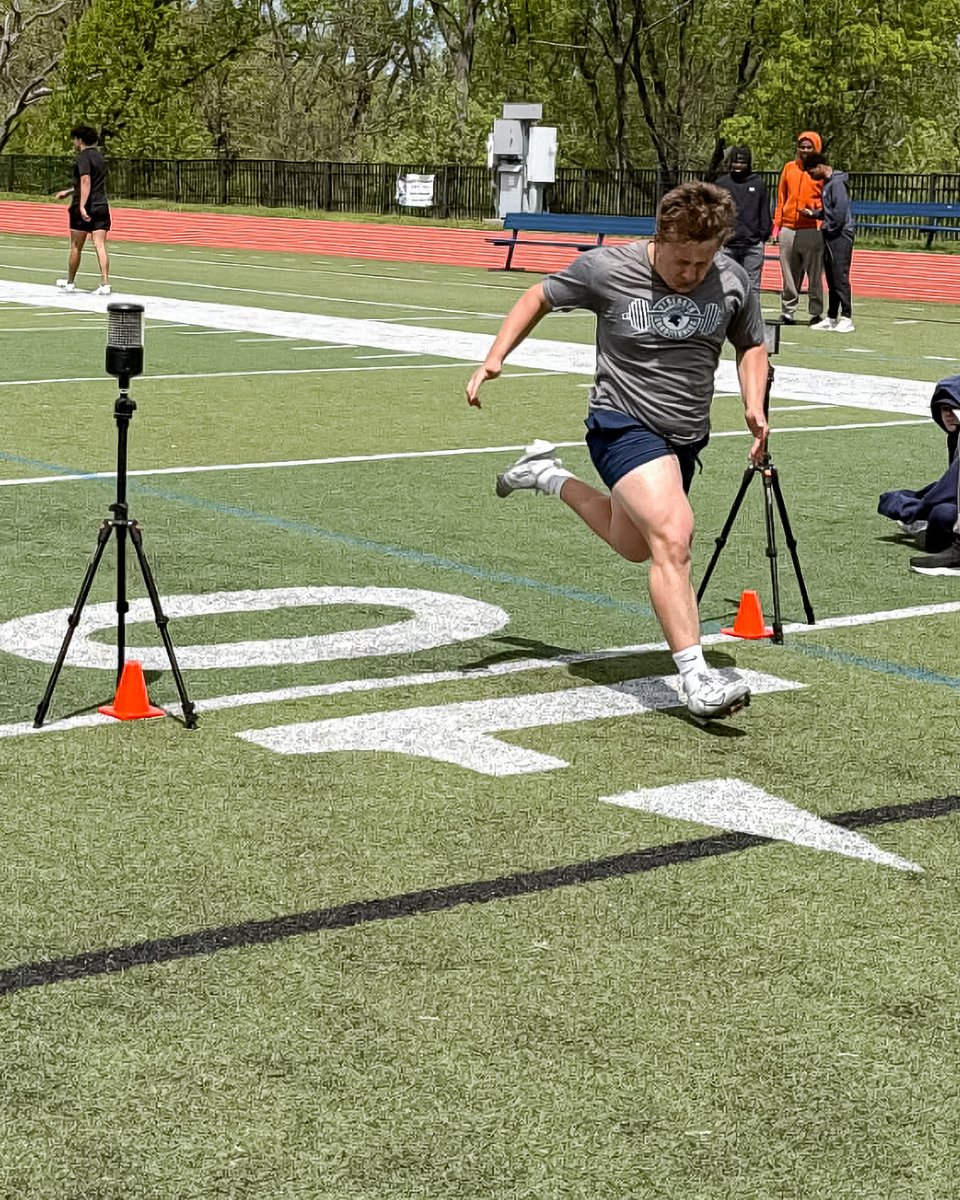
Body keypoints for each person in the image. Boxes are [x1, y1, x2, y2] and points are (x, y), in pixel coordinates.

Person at [465, 181, 769, 721]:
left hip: (685, 435)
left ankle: (545, 474)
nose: (691, 273)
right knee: (673, 535)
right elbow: (539, 296)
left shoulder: (732, 279)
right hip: (621, 422)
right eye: (681, 261)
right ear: (660, 238)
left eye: (702, 262)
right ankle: (697, 678)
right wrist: (495, 356)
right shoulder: (607, 269)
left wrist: (753, 403)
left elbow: (751, 345)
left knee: (633, 545)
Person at [771, 131, 824, 325]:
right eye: (802, 147)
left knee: (814, 273)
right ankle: (788, 311)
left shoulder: (820, 171)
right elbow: (781, 198)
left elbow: (826, 200)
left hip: (811, 227)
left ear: (816, 148)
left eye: (809, 147)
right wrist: (777, 227)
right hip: (788, 227)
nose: (805, 150)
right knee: (789, 272)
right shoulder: (789, 168)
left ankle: (815, 312)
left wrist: (819, 219)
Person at [909, 378, 960, 576]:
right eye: (944, 409)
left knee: (942, 515)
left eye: (954, 408)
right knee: (942, 512)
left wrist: (911, 510)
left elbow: (949, 486)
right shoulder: (954, 437)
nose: (949, 415)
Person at [54, 124, 111, 295]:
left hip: (85, 206)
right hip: (101, 204)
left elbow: (86, 181)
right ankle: (105, 283)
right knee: (100, 244)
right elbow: (90, 183)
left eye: (74, 139)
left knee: (76, 246)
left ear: (79, 140)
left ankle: (70, 282)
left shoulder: (82, 157)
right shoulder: (100, 157)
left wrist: (81, 206)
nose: (73, 142)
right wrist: (68, 191)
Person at [801, 153, 855, 333]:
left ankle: (846, 316)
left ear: (819, 167)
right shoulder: (827, 183)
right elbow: (829, 211)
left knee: (840, 275)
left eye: (811, 172)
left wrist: (829, 229)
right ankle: (832, 316)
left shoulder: (837, 183)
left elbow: (839, 212)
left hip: (840, 235)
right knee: (831, 277)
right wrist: (814, 215)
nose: (811, 177)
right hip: (831, 233)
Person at [714, 145, 772, 296]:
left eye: (742, 162)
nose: (738, 166)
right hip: (728, 246)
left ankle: (752, 313)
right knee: (727, 287)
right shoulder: (721, 184)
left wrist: (762, 236)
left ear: (749, 163)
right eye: (736, 162)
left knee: (752, 288)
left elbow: (764, 211)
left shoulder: (758, 184)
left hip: (752, 245)